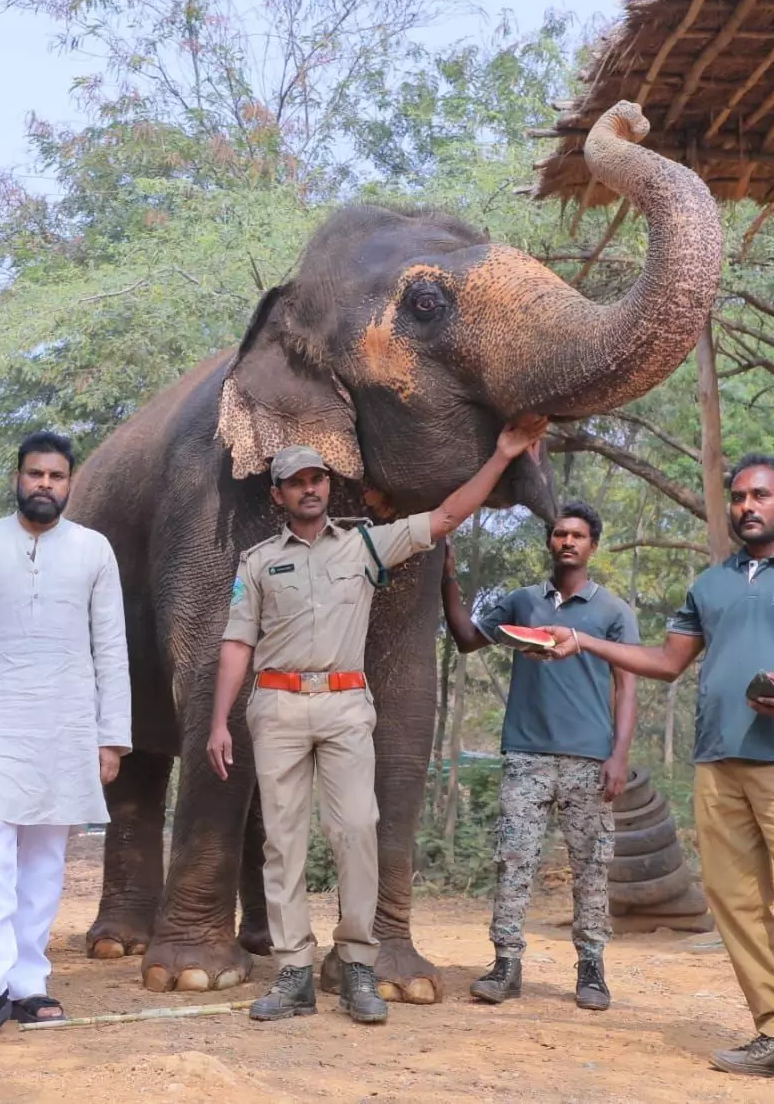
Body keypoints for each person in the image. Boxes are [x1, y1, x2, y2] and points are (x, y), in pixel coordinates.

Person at [544, 454, 774, 1103]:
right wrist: (583, 642)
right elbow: (666, 662)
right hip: (718, 765)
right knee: (736, 903)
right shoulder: (711, 584)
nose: (748, 505)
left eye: (761, 494)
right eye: (739, 496)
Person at [207, 417, 551, 1026]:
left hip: (344, 706)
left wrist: (500, 455)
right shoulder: (257, 563)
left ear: (327, 487)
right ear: (278, 495)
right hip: (278, 706)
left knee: (357, 830)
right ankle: (293, 975)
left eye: (317, 479)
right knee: (281, 842)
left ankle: (358, 965)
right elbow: (237, 642)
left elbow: (444, 519)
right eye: (296, 482)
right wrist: (219, 722)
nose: (309, 489)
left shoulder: (364, 545)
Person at [0, 430, 130, 1040]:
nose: (45, 484)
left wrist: (111, 736)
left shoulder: (95, 550)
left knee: (46, 856)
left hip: (68, 720)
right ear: (17, 477)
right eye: (35, 474)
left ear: (70, 484)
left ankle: (28, 983)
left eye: (57, 476)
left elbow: (111, 647)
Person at [440, 500, 638, 1011]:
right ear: (550, 543)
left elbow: (628, 688)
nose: (567, 541)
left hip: (589, 760)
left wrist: (618, 756)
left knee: (591, 866)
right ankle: (506, 965)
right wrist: (448, 581)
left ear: (593, 545)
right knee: (513, 860)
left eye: (577, 535)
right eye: (558, 534)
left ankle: (591, 969)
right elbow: (466, 640)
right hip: (526, 755)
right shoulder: (522, 602)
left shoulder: (614, 612)